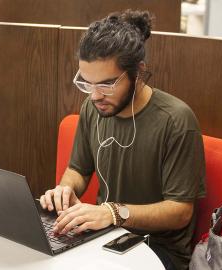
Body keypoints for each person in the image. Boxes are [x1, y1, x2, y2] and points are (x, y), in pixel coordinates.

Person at [38, 10, 206, 270]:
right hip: (103, 236)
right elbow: (78, 170)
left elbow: (180, 212)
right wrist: (66, 190)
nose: (94, 96)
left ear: (138, 73)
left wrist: (112, 212)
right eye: (87, 83)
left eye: (106, 84)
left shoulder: (176, 121)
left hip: (157, 250)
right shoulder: (92, 108)